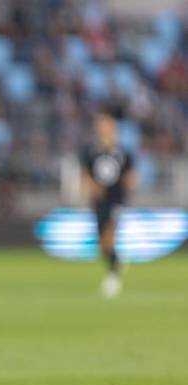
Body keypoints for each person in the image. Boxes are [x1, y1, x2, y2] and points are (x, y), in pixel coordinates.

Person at [81, 112, 136, 298]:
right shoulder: (91, 152)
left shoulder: (123, 153)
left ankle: (113, 275)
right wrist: (90, 187)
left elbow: (130, 176)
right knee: (101, 244)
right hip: (99, 201)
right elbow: (86, 174)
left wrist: (127, 191)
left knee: (108, 235)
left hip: (116, 200)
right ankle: (117, 261)